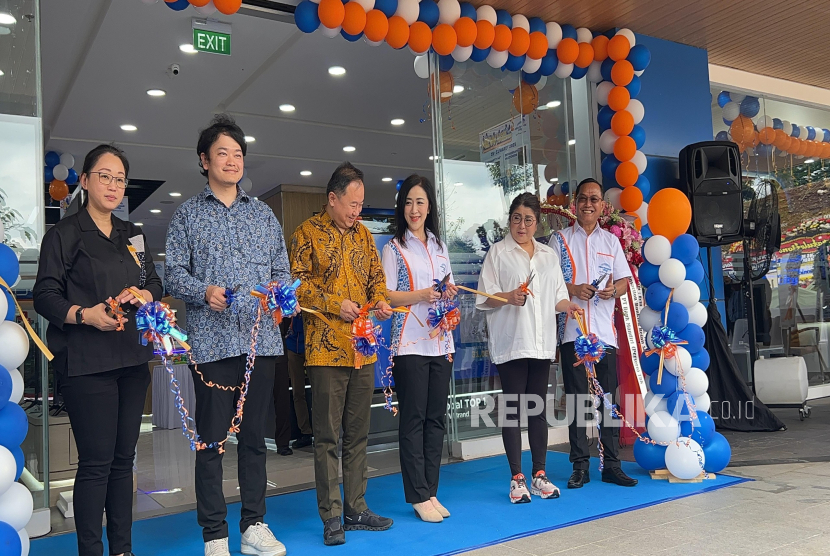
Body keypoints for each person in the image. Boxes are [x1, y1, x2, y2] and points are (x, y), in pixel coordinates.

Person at [165, 114, 294, 556]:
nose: (232, 160)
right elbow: (171, 274)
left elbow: (282, 272)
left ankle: (254, 526)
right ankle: (214, 535)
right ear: (204, 160)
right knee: (212, 441)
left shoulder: (263, 215)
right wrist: (203, 292)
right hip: (213, 343)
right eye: (222, 153)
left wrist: (279, 297)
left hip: (261, 343)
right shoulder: (187, 214)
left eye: (238, 154)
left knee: (256, 439)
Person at [34, 144, 163, 556]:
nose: (113, 185)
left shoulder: (134, 234)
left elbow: (155, 284)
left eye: (120, 178)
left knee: (124, 461)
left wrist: (146, 292)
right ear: (85, 181)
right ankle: (91, 551)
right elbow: (44, 296)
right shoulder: (63, 235)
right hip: (86, 363)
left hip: (131, 360)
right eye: (104, 176)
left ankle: (121, 549)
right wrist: (83, 315)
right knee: (95, 464)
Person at [290, 161, 394, 546]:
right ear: (332, 199)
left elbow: (376, 280)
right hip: (325, 350)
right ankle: (331, 515)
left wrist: (380, 301)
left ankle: (357, 508)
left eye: (361, 204)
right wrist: (336, 303)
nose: (357, 211)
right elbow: (296, 285)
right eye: (352, 204)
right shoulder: (306, 233)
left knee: (358, 435)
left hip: (363, 350)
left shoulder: (365, 236)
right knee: (327, 438)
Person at [476, 192, 581, 504]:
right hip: (511, 341)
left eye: (529, 220)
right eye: (517, 218)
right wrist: (508, 296)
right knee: (512, 409)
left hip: (541, 342)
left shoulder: (548, 256)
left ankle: (539, 475)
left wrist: (570, 306)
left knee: (536, 409)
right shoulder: (497, 253)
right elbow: (483, 297)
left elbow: (557, 296)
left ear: (538, 223)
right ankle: (516, 478)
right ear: (510, 220)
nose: (522, 225)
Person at [551, 178, 638, 489]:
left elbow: (624, 282)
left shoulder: (610, 242)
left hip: (603, 334)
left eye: (595, 199)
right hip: (573, 333)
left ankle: (612, 464)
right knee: (576, 402)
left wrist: (609, 290)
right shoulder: (559, 240)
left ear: (603, 205)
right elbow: (550, 286)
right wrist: (574, 289)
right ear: (575, 203)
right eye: (584, 199)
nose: (589, 204)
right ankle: (580, 466)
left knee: (608, 403)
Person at [381, 175, 457, 523]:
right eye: (409, 202)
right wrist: (422, 294)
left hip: (441, 341)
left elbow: (446, 284)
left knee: (435, 420)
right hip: (409, 342)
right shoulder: (394, 247)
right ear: (403, 207)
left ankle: (431, 489)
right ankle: (417, 495)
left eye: (420, 202)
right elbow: (387, 296)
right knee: (413, 420)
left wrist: (448, 292)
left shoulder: (440, 247)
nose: (414, 209)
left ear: (430, 208)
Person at [284, 315, 314, 449]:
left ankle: (321, 433)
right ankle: (305, 432)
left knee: (320, 392)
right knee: (297, 393)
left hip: (312, 346)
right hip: (293, 346)